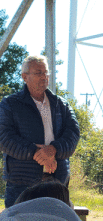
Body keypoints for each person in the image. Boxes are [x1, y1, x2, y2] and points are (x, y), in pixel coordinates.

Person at [0, 55, 80, 208]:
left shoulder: (61, 104)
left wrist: (53, 150)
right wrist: (36, 152)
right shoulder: (10, 104)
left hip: (57, 182)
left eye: (46, 72)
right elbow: (4, 137)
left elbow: (73, 133)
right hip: (22, 182)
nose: (44, 76)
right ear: (25, 77)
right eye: (38, 73)